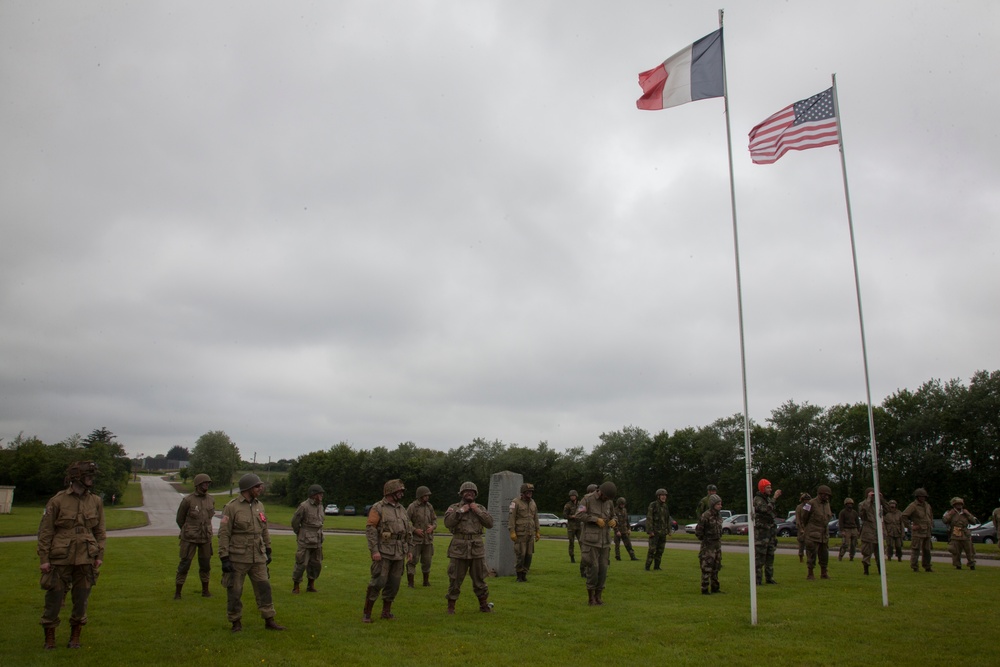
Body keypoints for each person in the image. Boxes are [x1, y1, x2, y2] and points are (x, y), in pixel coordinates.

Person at [37, 461, 106, 650]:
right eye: (88, 476)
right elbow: (45, 532)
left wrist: (99, 555)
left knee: (82, 598)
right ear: (77, 477)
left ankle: (75, 636)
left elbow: (100, 531)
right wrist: (44, 559)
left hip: (86, 557)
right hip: (60, 557)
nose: (91, 480)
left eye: (92, 476)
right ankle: (49, 636)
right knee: (55, 597)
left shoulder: (95, 501)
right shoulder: (57, 501)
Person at [218, 473, 285, 632]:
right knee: (235, 590)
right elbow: (224, 533)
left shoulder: (259, 506)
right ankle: (235, 621)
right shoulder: (231, 507)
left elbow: (264, 528)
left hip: (258, 555)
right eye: (257, 486)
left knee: (264, 587)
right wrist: (224, 557)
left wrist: (268, 548)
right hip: (238, 557)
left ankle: (269, 619)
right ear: (248, 488)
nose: (260, 488)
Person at [363, 479, 411, 622]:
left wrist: (408, 549)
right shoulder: (378, 508)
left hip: (399, 552)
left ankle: (386, 611)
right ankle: (367, 613)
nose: (402, 494)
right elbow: (371, 529)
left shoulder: (402, 509)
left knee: (394, 583)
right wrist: (374, 551)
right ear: (391, 492)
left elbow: (407, 530)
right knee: (378, 581)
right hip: (383, 551)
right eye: (399, 491)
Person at [443, 481, 494, 614]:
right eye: (466, 491)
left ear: (475, 494)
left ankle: (483, 605)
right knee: (455, 578)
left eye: (472, 491)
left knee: (480, 578)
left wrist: (477, 510)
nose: (469, 493)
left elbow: (489, 524)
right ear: (461, 494)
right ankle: (451, 607)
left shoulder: (480, 508)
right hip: (459, 548)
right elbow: (448, 523)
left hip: (476, 548)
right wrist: (461, 511)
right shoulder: (454, 507)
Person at [174, 472, 215, 600]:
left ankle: (205, 591)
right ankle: (178, 593)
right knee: (184, 564)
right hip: (189, 538)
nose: (206, 485)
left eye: (208, 483)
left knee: (205, 565)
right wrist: (188, 530)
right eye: (204, 483)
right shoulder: (188, 500)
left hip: (205, 538)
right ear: (197, 484)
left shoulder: (211, 500)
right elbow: (180, 519)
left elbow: (210, 517)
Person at [578, 481, 617, 605]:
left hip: (604, 541)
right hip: (591, 541)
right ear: (600, 492)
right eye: (605, 497)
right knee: (593, 569)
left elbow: (613, 515)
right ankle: (591, 597)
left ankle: (599, 596)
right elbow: (579, 515)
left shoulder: (609, 502)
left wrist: (614, 521)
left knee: (603, 570)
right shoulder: (587, 499)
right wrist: (595, 520)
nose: (606, 499)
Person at [291, 483, 325, 593]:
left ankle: (311, 585)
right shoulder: (304, 506)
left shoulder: (320, 506)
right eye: (320, 494)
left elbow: (321, 521)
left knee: (316, 564)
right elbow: (295, 522)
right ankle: (296, 586)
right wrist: (300, 533)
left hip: (318, 539)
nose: (321, 496)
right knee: (302, 563)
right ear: (313, 495)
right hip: (305, 539)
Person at [508, 482, 540, 582]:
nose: (530, 493)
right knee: (521, 555)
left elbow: (536, 517)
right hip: (520, 533)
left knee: (529, 555)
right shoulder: (515, 502)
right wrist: (512, 531)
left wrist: (537, 530)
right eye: (528, 492)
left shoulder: (533, 502)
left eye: (531, 492)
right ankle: (519, 575)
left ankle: (524, 573)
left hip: (530, 533)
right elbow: (511, 517)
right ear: (523, 492)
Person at [406, 485, 437, 588]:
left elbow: (434, 520)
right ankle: (411, 583)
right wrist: (415, 530)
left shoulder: (430, 507)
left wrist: (432, 527)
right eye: (425, 495)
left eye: (428, 495)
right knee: (412, 561)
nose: (427, 497)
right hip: (415, 540)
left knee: (427, 561)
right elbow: (406, 522)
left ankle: (426, 582)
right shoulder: (412, 507)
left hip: (428, 540)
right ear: (420, 496)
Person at [802, 485, 834, 580]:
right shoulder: (810, 503)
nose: (827, 497)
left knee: (824, 554)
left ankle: (824, 573)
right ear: (820, 494)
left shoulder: (827, 504)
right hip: (813, 533)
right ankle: (810, 573)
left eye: (828, 495)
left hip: (824, 534)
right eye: (825, 495)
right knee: (811, 554)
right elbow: (804, 517)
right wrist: (808, 528)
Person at [753, 478, 781, 585]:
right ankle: (757, 579)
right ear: (762, 488)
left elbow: (772, 512)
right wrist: (774, 498)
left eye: (770, 487)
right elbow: (765, 509)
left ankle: (769, 578)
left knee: (770, 555)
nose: (770, 489)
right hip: (762, 533)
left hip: (770, 532)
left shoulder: (768, 499)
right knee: (760, 557)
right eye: (768, 487)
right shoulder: (758, 499)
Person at [695, 494, 723, 595]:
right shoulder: (705, 516)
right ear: (713, 504)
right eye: (718, 504)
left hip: (717, 544)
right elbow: (699, 532)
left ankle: (715, 587)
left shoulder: (719, 516)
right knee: (707, 566)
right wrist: (705, 540)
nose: (720, 506)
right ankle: (705, 588)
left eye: (720, 504)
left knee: (716, 566)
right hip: (708, 545)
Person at [901, 487, 934, 572]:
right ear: (917, 497)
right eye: (921, 496)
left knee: (927, 550)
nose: (923, 498)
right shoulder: (913, 506)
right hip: (918, 531)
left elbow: (930, 516)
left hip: (927, 531)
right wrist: (910, 527)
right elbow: (904, 516)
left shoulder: (927, 505)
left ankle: (927, 566)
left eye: (924, 496)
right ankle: (914, 566)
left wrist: (931, 523)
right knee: (916, 549)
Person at [943, 497, 977, 570]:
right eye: (957, 504)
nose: (959, 506)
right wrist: (950, 514)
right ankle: (957, 565)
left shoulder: (965, 512)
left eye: (960, 504)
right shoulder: (950, 512)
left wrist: (968, 514)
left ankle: (971, 564)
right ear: (954, 505)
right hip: (955, 534)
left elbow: (974, 522)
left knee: (970, 550)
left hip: (965, 534)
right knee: (956, 551)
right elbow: (945, 521)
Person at [645, 488, 671, 571]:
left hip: (663, 532)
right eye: (662, 495)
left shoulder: (665, 506)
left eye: (665, 495)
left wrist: (669, 530)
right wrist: (650, 531)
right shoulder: (653, 505)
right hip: (655, 532)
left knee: (660, 550)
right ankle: (647, 567)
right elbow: (649, 518)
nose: (664, 497)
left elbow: (668, 519)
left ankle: (657, 566)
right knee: (652, 550)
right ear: (658, 496)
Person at [858, 487, 881, 575]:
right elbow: (863, 511)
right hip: (868, 533)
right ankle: (866, 570)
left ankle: (880, 570)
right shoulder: (862, 504)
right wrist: (868, 499)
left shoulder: (877, 505)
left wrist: (881, 498)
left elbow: (887, 510)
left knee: (879, 554)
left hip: (877, 532)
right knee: (866, 553)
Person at [613, 497, 638, 561]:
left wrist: (629, 529)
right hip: (618, 530)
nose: (622, 505)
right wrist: (616, 530)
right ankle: (617, 557)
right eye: (621, 504)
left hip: (624, 530)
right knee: (617, 545)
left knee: (628, 544)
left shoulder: (624, 510)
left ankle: (632, 556)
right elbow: (614, 522)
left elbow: (627, 521)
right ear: (618, 504)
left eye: (623, 504)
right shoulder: (614, 511)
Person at [563, 490, 582, 564]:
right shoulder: (568, 505)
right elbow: (564, 515)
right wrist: (572, 516)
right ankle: (572, 556)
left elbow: (584, 512)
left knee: (582, 542)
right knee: (571, 542)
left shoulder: (580, 504)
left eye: (573, 496)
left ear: (576, 496)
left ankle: (584, 557)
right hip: (571, 527)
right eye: (571, 496)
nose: (572, 497)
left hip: (579, 526)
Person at [794, 493, 811, 562]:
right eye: (805, 500)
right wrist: (800, 528)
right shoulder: (799, 507)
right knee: (801, 543)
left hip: (808, 527)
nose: (807, 501)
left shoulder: (808, 507)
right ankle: (801, 556)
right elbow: (798, 519)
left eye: (808, 500)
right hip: (801, 527)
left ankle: (808, 557)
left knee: (809, 544)